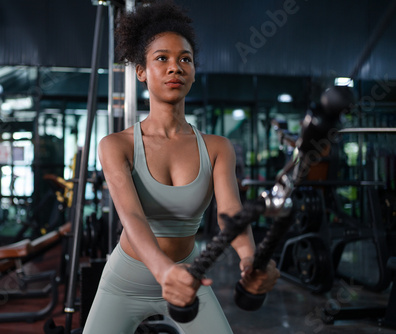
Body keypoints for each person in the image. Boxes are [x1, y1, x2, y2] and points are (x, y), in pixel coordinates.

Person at [83, 1, 280, 333]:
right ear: (141, 71)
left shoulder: (217, 148)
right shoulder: (116, 145)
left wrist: (249, 259)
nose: (175, 67)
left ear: (193, 70)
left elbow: (229, 213)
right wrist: (164, 273)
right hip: (126, 281)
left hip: (188, 277)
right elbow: (131, 217)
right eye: (162, 58)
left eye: (184, 59)